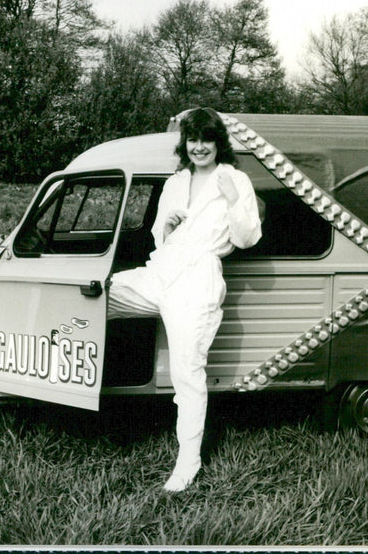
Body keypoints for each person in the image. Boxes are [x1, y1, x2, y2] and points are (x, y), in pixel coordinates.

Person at [108, 108, 262, 492]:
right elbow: (159, 236)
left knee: (186, 374)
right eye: (192, 140)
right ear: (185, 144)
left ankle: (187, 464)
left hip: (197, 279)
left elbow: (247, 238)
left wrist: (232, 201)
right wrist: (168, 226)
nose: (199, 147)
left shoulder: (235, 179)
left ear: (217, 143)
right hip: (162, 269)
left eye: (206, 140)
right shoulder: (176, 181)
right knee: (98, 293)